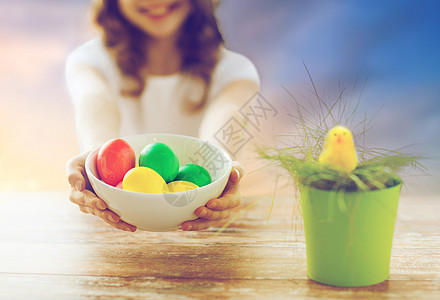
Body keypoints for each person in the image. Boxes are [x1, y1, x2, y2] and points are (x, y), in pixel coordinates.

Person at [66, 0, 260, 232]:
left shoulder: (236, 71)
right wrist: (95, 159)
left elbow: (229, 115)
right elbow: (95, 103)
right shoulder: (89, 62)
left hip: (201, 230)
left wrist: (220, 173)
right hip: (111, 228)